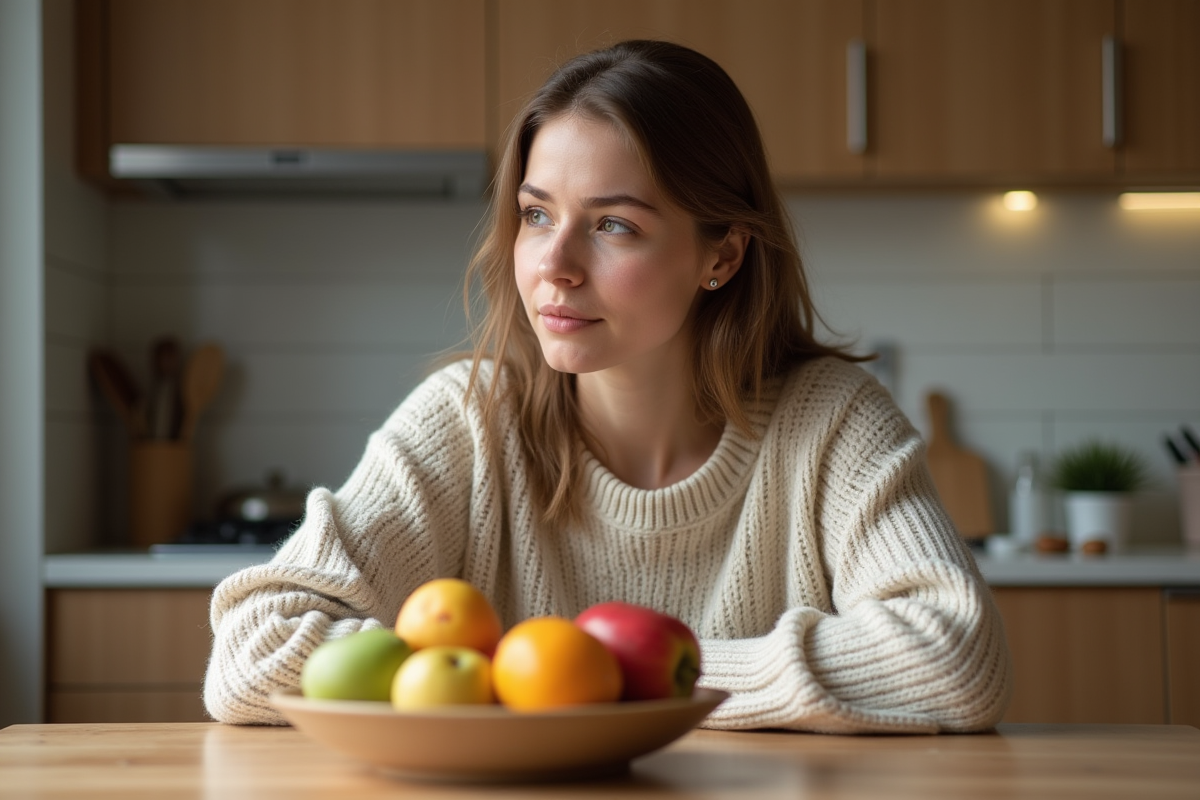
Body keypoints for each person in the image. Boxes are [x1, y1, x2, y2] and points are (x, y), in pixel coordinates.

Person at [203, 39, 1011, 733]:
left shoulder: (830, 422)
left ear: (721, 257)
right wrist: (537, 684)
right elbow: (252, 652)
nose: (554, 266)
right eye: (537, 214)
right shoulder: (470, 419)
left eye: (614, 224)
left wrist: (591, 678)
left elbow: (953, 657)